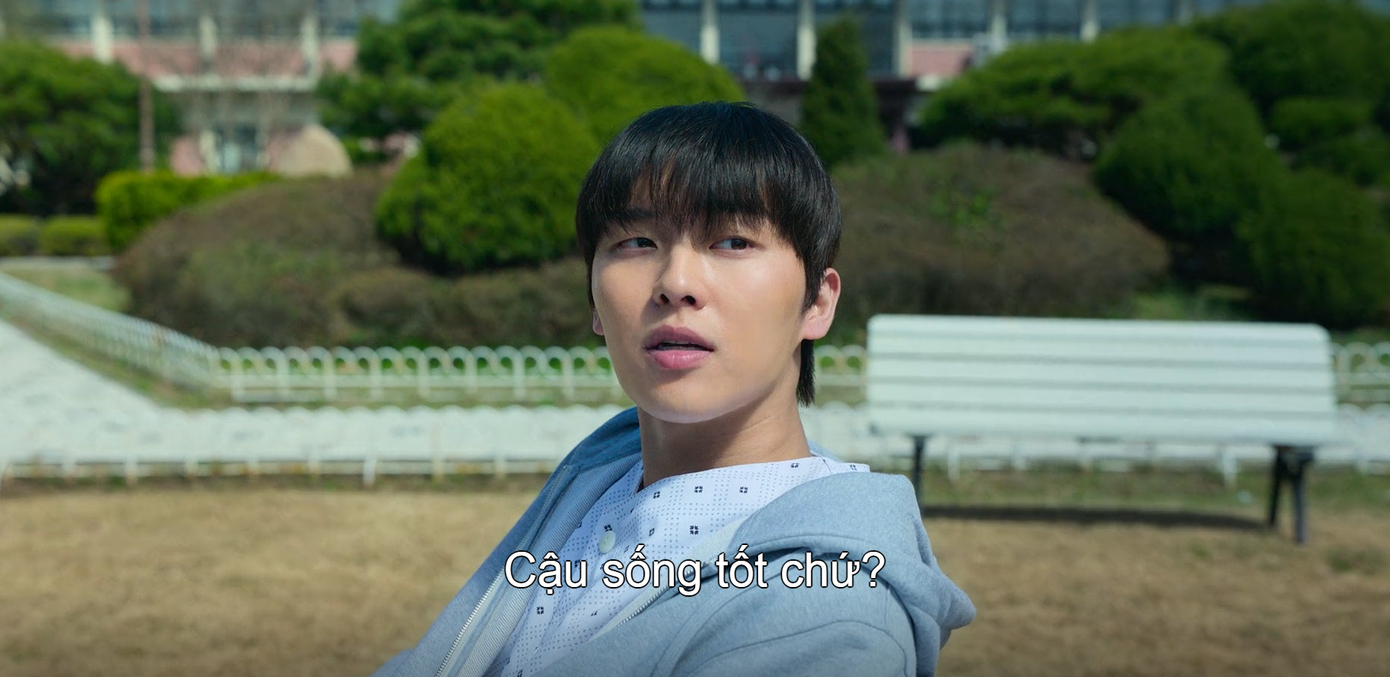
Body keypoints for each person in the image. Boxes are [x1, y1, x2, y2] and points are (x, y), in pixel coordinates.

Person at [369, 101, 975, 677]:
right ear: (593, 302)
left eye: (733, 241)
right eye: (637, 243)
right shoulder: (596, 482)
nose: (676, 282)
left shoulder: (832, 617)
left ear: (816, 303)